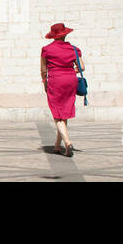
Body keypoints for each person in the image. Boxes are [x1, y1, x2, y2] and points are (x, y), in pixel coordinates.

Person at [41, 22, 82, 156]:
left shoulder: (46, 49)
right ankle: (57, 145)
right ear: (65, 35)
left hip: (55, 81)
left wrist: (44, 83)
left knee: (57, 114)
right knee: (63, 111)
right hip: (70, 80)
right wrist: (69, 71)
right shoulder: (74, 49)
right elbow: (81, 67)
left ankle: (67, 142)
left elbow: (43, 70)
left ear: (53, 36)